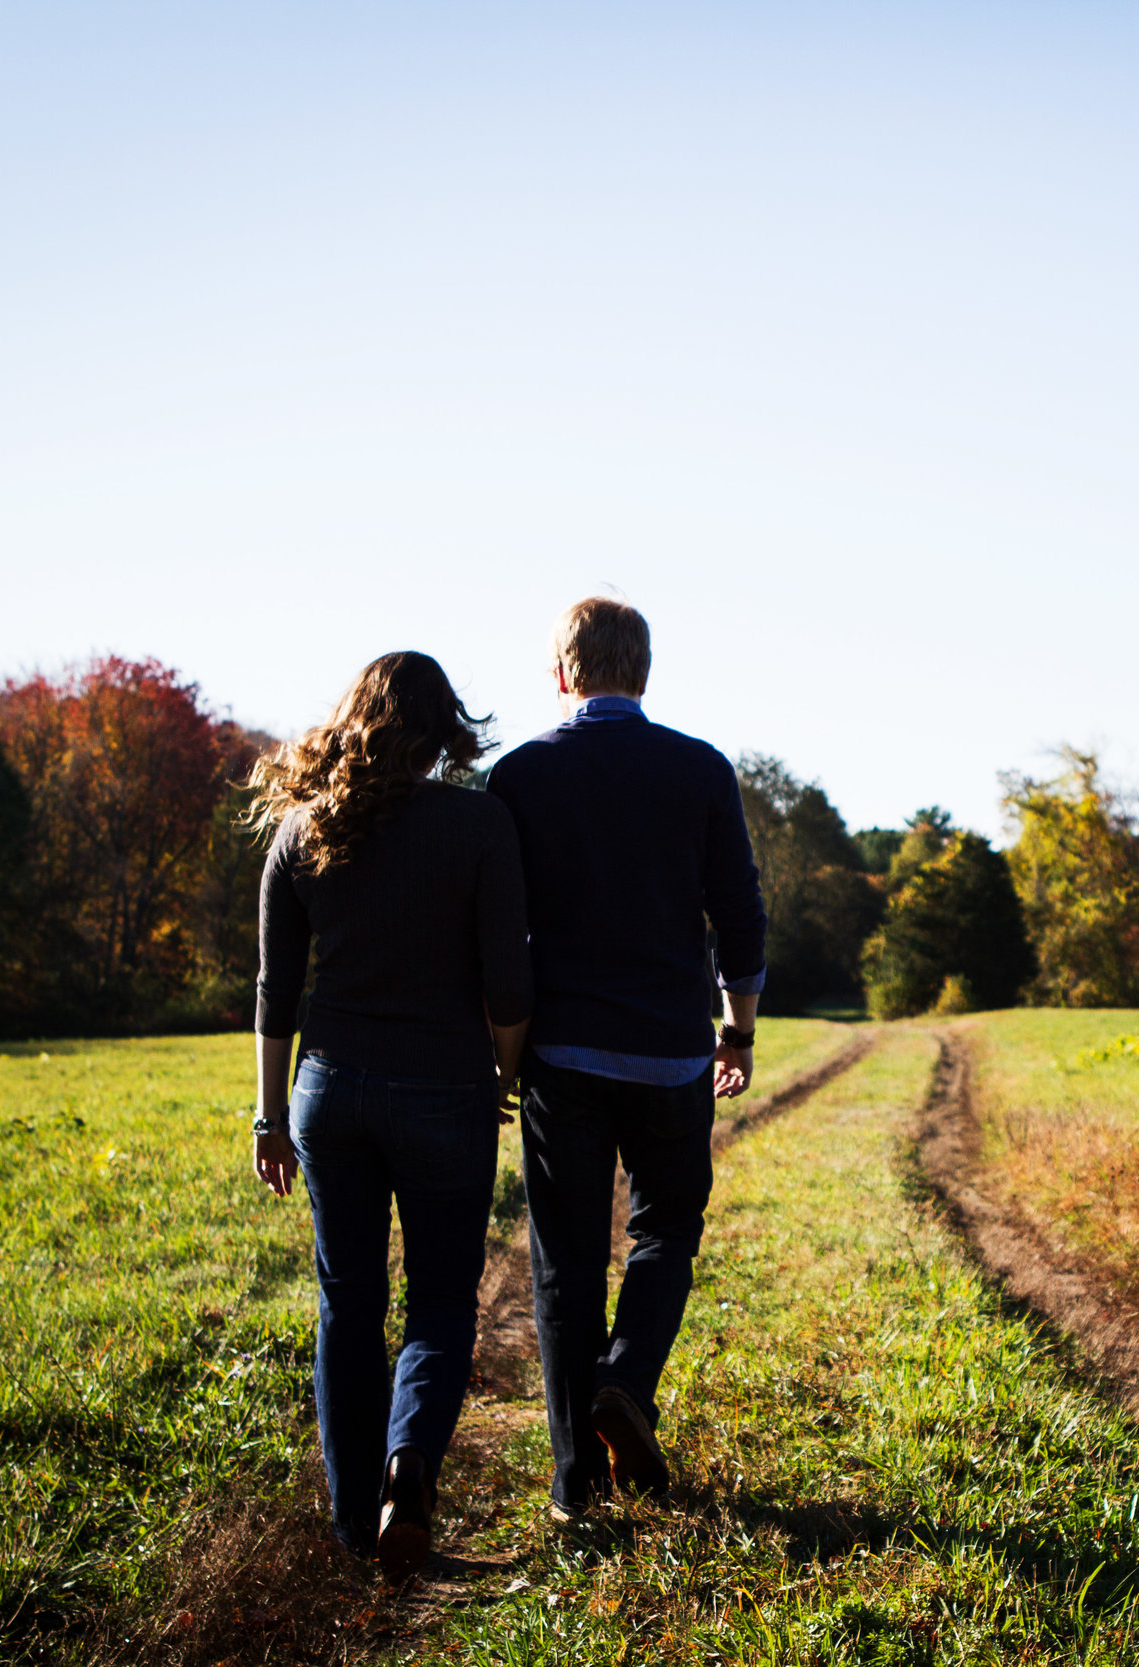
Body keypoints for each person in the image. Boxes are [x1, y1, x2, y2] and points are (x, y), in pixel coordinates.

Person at [245, 651, 532, 1582]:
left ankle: (346, 1520)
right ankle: (408, 1476)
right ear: (447, 726)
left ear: (352, 718)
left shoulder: (302, 829)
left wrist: (266, 1117)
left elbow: (274, 993)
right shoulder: (480, 822)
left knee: (347, 1301)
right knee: (442, 1301)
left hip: (328, 1095)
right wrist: (504, 1075)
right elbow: (508, 980)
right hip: (444, 1089)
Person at [487, 596, 766, 1516]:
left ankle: (576, 1489)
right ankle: (627, 1383)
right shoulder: (700, 770)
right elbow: (740, 916)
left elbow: (499, 935)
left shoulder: (519, 777)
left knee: (566, 1263)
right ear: (643, 672)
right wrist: (738, 1031)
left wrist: (502, 1058)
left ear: (562, 673)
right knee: (666, 1232)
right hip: (671, 1060)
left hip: (562, 1058)